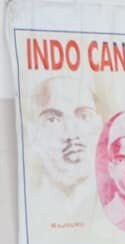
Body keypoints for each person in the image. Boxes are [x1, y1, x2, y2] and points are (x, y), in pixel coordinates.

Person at [28, 75, 103, 222]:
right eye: (53, 120)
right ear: (33, 133)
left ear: (100, 125)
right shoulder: (33, 206)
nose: (71, 134)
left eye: (84, 116)